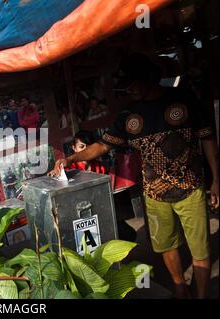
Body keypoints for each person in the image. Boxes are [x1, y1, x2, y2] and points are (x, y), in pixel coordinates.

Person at [49, 53, 219, 299]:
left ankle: (201, 295)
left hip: (190, 188)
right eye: (126, 85)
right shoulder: (128, 115)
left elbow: (208, 139)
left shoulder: (184, 100)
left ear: (150, 77)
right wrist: (70, 158)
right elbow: (102, 146)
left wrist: (216, 180)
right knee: (165, 244)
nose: (129, 89)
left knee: (200, 248)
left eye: (133, 83)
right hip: (154, 194)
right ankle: (180, 286)